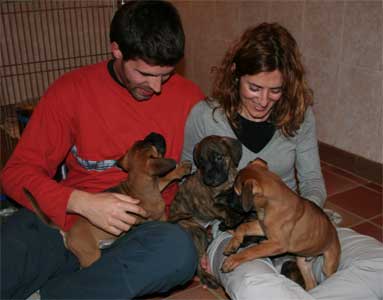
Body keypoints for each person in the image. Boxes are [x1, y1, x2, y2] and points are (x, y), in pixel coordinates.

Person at [0, 1, 205, 299]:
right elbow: (15, 174)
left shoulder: (189, 98)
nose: (157, 87)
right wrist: (82, 202)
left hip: (141, 233)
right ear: (117, 50)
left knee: (178, 251)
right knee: (12, 249)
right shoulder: (71, 91)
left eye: (166, 74)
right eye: (145, 74)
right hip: (70, 223)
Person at [182, 23, 383, 300]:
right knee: (257, 289)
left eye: (275, 90)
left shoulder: (299, 117)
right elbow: (189, 184)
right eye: (254, 87)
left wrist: (303, 222)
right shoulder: (206, 116)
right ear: (235, 74)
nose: (264, 101)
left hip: (297, 226)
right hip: (232, 232)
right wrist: (202, 239)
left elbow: (312, 181)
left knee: (379, 265)